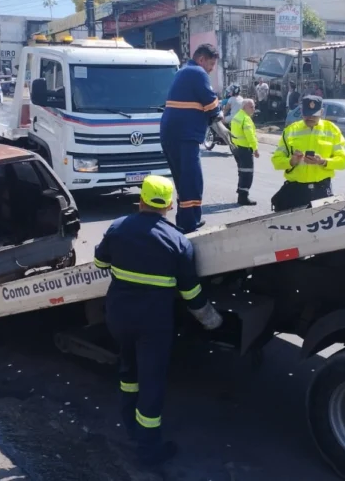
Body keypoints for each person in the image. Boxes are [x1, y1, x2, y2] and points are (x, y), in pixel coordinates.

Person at [93, 175, 222, 467]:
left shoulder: (118, 228)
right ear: (169, 206)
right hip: (153, 324)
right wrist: (211, 320)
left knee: (129, 371)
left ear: (141, 200)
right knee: (152, 383)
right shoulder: (177, 241)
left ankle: (129, 425)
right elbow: (190, 291)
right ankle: (148, 449)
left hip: (119, 317)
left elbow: (100, 262)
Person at [160, 43, 228, 233]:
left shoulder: (183, 71)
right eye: (211, 64)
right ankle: (190, 223)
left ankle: (184, 220)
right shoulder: (197, 72)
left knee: (183, 180)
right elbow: (211, 102)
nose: (212, 69)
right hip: (185, 135)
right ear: (201, 59)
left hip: (172, 134)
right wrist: (221, 121)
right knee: (192, 180)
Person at [270, 95, 345, 211]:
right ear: (301, 111)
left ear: (321, 112)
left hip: (320, 191)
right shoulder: (290, 131)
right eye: (306, 114)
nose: (310, 118)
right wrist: (291, 161)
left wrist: (323, 161)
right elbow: (276, 161)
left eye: (314, 114)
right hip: (295, 191)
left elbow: (343, 162)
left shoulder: (332, 130)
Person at [230, 98, 259, 206]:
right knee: (247, 173)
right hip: (245, 149)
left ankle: (241, 193)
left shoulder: (237, 116)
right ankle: (243, 197)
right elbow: (250, 135)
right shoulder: (246, 119)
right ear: (244, 107)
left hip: (236, 148)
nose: (253, 109)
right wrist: (255, 148)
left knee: (242, 172)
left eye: (254, 106)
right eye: (251, 106)